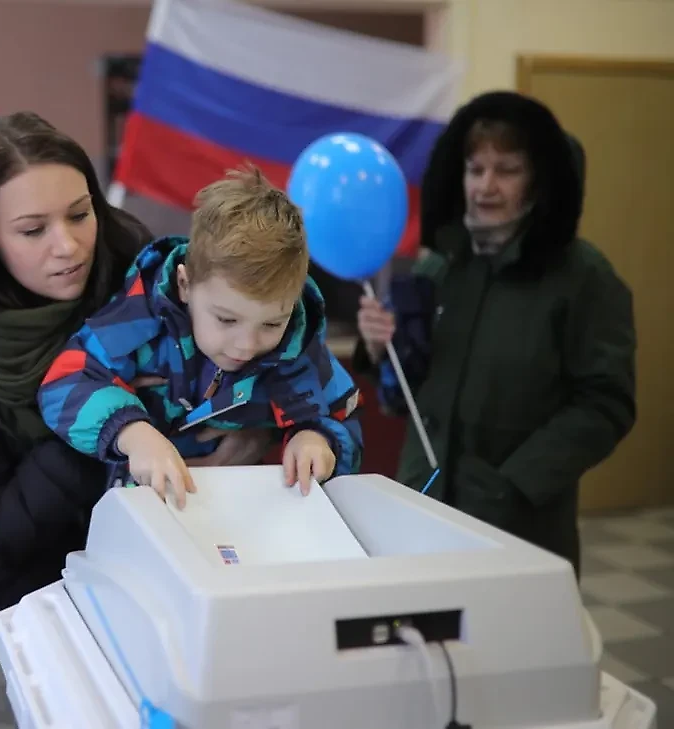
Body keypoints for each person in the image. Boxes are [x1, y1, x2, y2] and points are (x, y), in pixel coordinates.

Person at [0, 112, 276, 725]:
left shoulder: (147, 280)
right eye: (33, 229)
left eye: (80, 214)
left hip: (156, 586)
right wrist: (111, 427)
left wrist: (257, 431)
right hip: (27, 609)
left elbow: (253, 363)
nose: (69, 246)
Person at [354, 91, 636, 577]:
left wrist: (514, 485)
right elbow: (406, 399)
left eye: (507, 170)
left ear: (538, 181)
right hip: (423, 503)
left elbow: (606, 404)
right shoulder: (441, 266)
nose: (486, 186)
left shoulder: (584, 277)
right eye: (475, 169)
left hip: (519, 522)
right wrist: (383, 349)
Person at [38, 167, 364, 509]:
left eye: (271, 324)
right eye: (226, 319)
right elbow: (64, 383)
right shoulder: (140, 318)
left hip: (241, 512)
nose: (246, 345)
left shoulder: (300, 347)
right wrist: (132, 434)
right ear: (185, 284)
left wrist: (318, 439)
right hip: (138, 507)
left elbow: (344, 413)